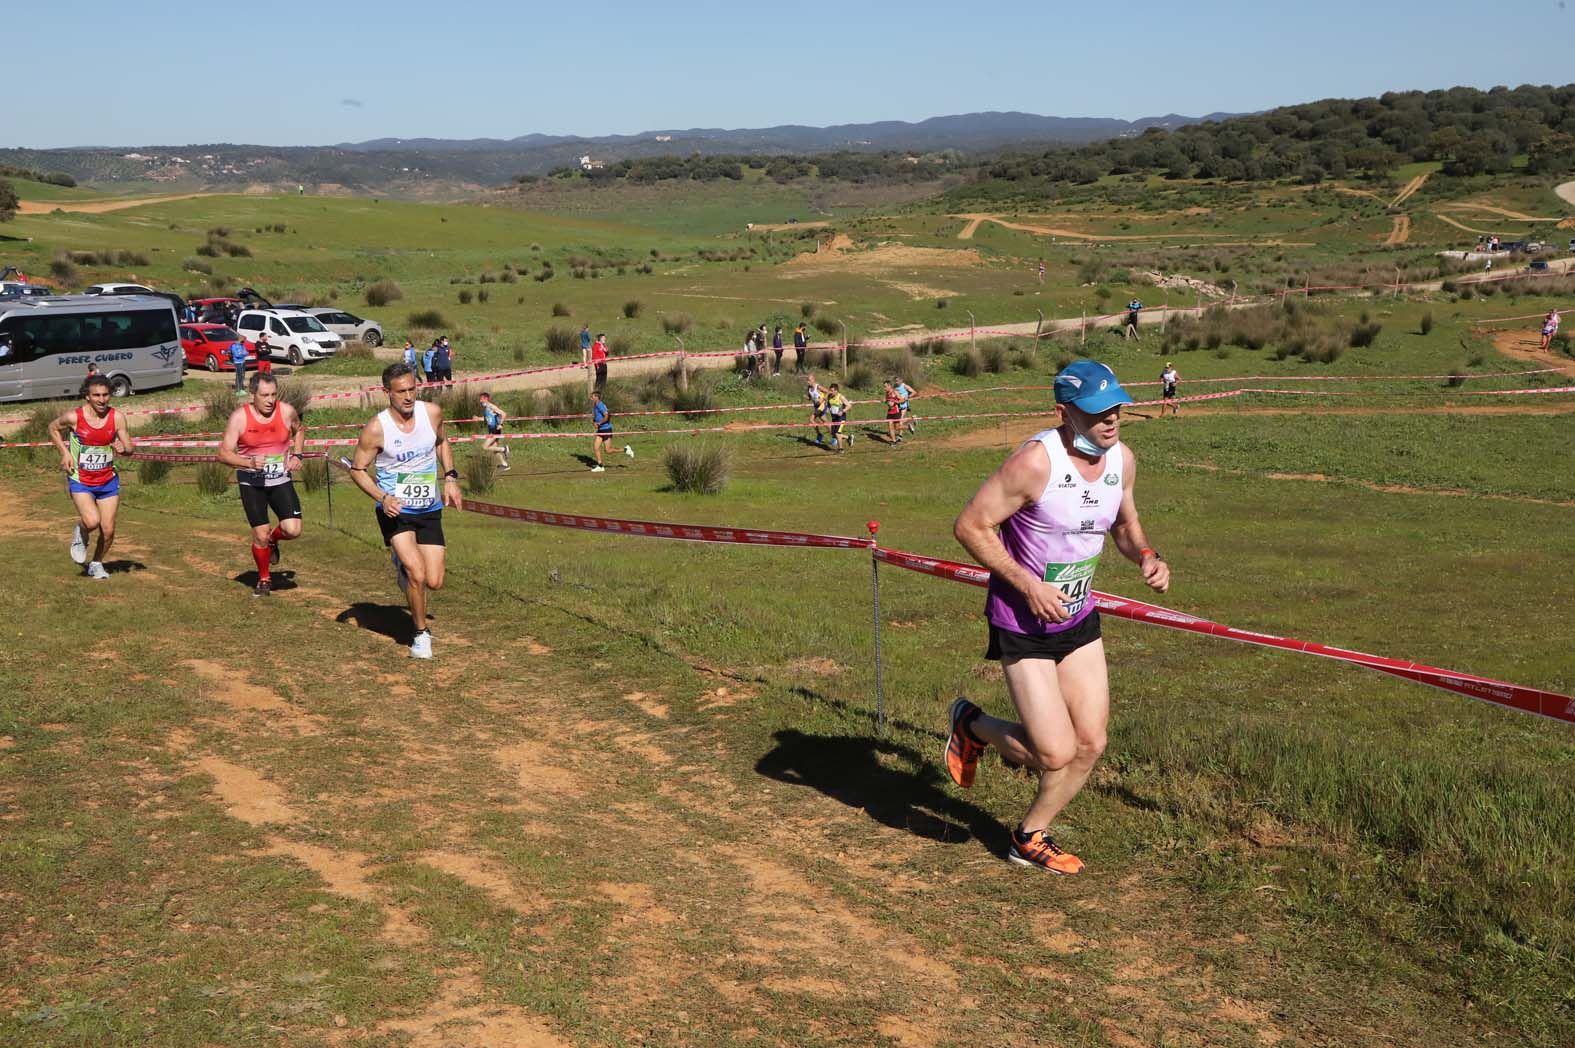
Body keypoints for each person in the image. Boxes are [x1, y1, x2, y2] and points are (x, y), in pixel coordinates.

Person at [947, 360, 1170, 874]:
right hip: (1022, 621)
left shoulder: (1123, 461)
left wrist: (1146, 556)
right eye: (1097, 412)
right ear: (1064, 413)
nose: (1110, 420)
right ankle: (972, 723)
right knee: (1053, 753)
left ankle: (1028, 836)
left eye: (1116, 408)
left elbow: (1125, 521)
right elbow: (970, 526)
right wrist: (1028, 584)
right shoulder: (1034, 464)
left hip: (1077, 617)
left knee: (1091, 743)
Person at [346, 362, 463, 659]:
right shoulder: (376, 428)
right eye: (401, 392)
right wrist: (382, 497)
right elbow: (357, 470)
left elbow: (442, 442)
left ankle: (402, 567)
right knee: (417, 573)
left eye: (412, 389)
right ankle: (421, 634)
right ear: (388, 393)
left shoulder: (432, 413)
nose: (408, 396)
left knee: (434, 581)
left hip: (428, 506)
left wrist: (450, 477)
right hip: (395, 509)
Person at [216, 372, 306, 597]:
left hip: (279, 478)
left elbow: (300, 429)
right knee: (260, 534)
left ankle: (274, 540)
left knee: (293, 530)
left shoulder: (286, 411)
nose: (269, 400)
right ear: (252, 395)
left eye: (273, 394)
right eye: (264, 395)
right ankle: (264, 578)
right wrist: (249, 462)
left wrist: (298, 455)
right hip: (251, 481)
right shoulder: (240, 418)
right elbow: (223, 454)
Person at [46, 375, 135, 581]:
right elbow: (52, 428)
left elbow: (129, 446)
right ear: (87, 396)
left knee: (109, 529)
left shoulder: (117, 417)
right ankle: (81, 531)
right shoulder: (74, 417)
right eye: (96, 395)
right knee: (92, 521)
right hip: (81, 479)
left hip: (107, 481)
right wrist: (65, 452)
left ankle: (96, 563)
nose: (102, 400)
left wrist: (125, 448)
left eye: (105, 395)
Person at [589, 390, 633, 472]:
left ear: (597, 397)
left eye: (592, 397)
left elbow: (607, 416)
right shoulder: (595, 405)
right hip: (600, 430)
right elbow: (597, 416)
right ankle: (600, 466)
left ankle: (625, 449)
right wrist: (594, 421)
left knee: (608, 450)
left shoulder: (600, 405)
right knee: (596, 447)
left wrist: (599, 423)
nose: (591, 398)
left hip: (606, 429)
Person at [479, 391, 509, 471]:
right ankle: (505, 465)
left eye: (481, 399)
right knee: (494, 449)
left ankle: (504, 449)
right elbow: (486, 419)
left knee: (484, 447)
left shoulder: (491, 406)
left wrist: (501, 424)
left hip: (495, 430)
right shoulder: (485, 409)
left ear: (486, 399)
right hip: (492, 430)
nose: (480, 401)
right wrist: (478, 418)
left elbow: (504, 414)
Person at [825, 383, 852, 451]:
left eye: (832, 390)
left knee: (837, 433)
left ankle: (841, 449)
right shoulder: (829, 397)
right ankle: (848, 437)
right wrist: (828, 409)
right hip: (834, 417)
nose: (831, 392)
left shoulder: (841, 397)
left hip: (841, 417)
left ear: (836, 391)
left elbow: (849, 405)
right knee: (834, 433)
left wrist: (842, 411)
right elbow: (828, 405)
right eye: (830, 390)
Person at [805, 373, 827, 446]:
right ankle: (834, 436)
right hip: (816, 406)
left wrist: (822, 399)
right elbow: (810, 398)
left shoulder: (818, 387)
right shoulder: (809, 388)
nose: (808, 382)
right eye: (807, 380)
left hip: (822, 405)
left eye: (809, 380)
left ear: (813, 380)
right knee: (824, 420)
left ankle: (819, 435)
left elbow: (827, 392)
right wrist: (806, 397)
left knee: (811, 419)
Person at [883, 380, 905, 444]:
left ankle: (908, 426)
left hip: (896, 411)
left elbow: (902, 400)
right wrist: (885, 400)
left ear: (889, 386)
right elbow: (887, 401)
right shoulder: (887, 393)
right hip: (890, 412)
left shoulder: (895, 392)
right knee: (890, 426)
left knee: (897, 427)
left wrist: (896, 402)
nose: (884, 388)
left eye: (885, 386)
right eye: (884, 387)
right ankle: (894, 441)